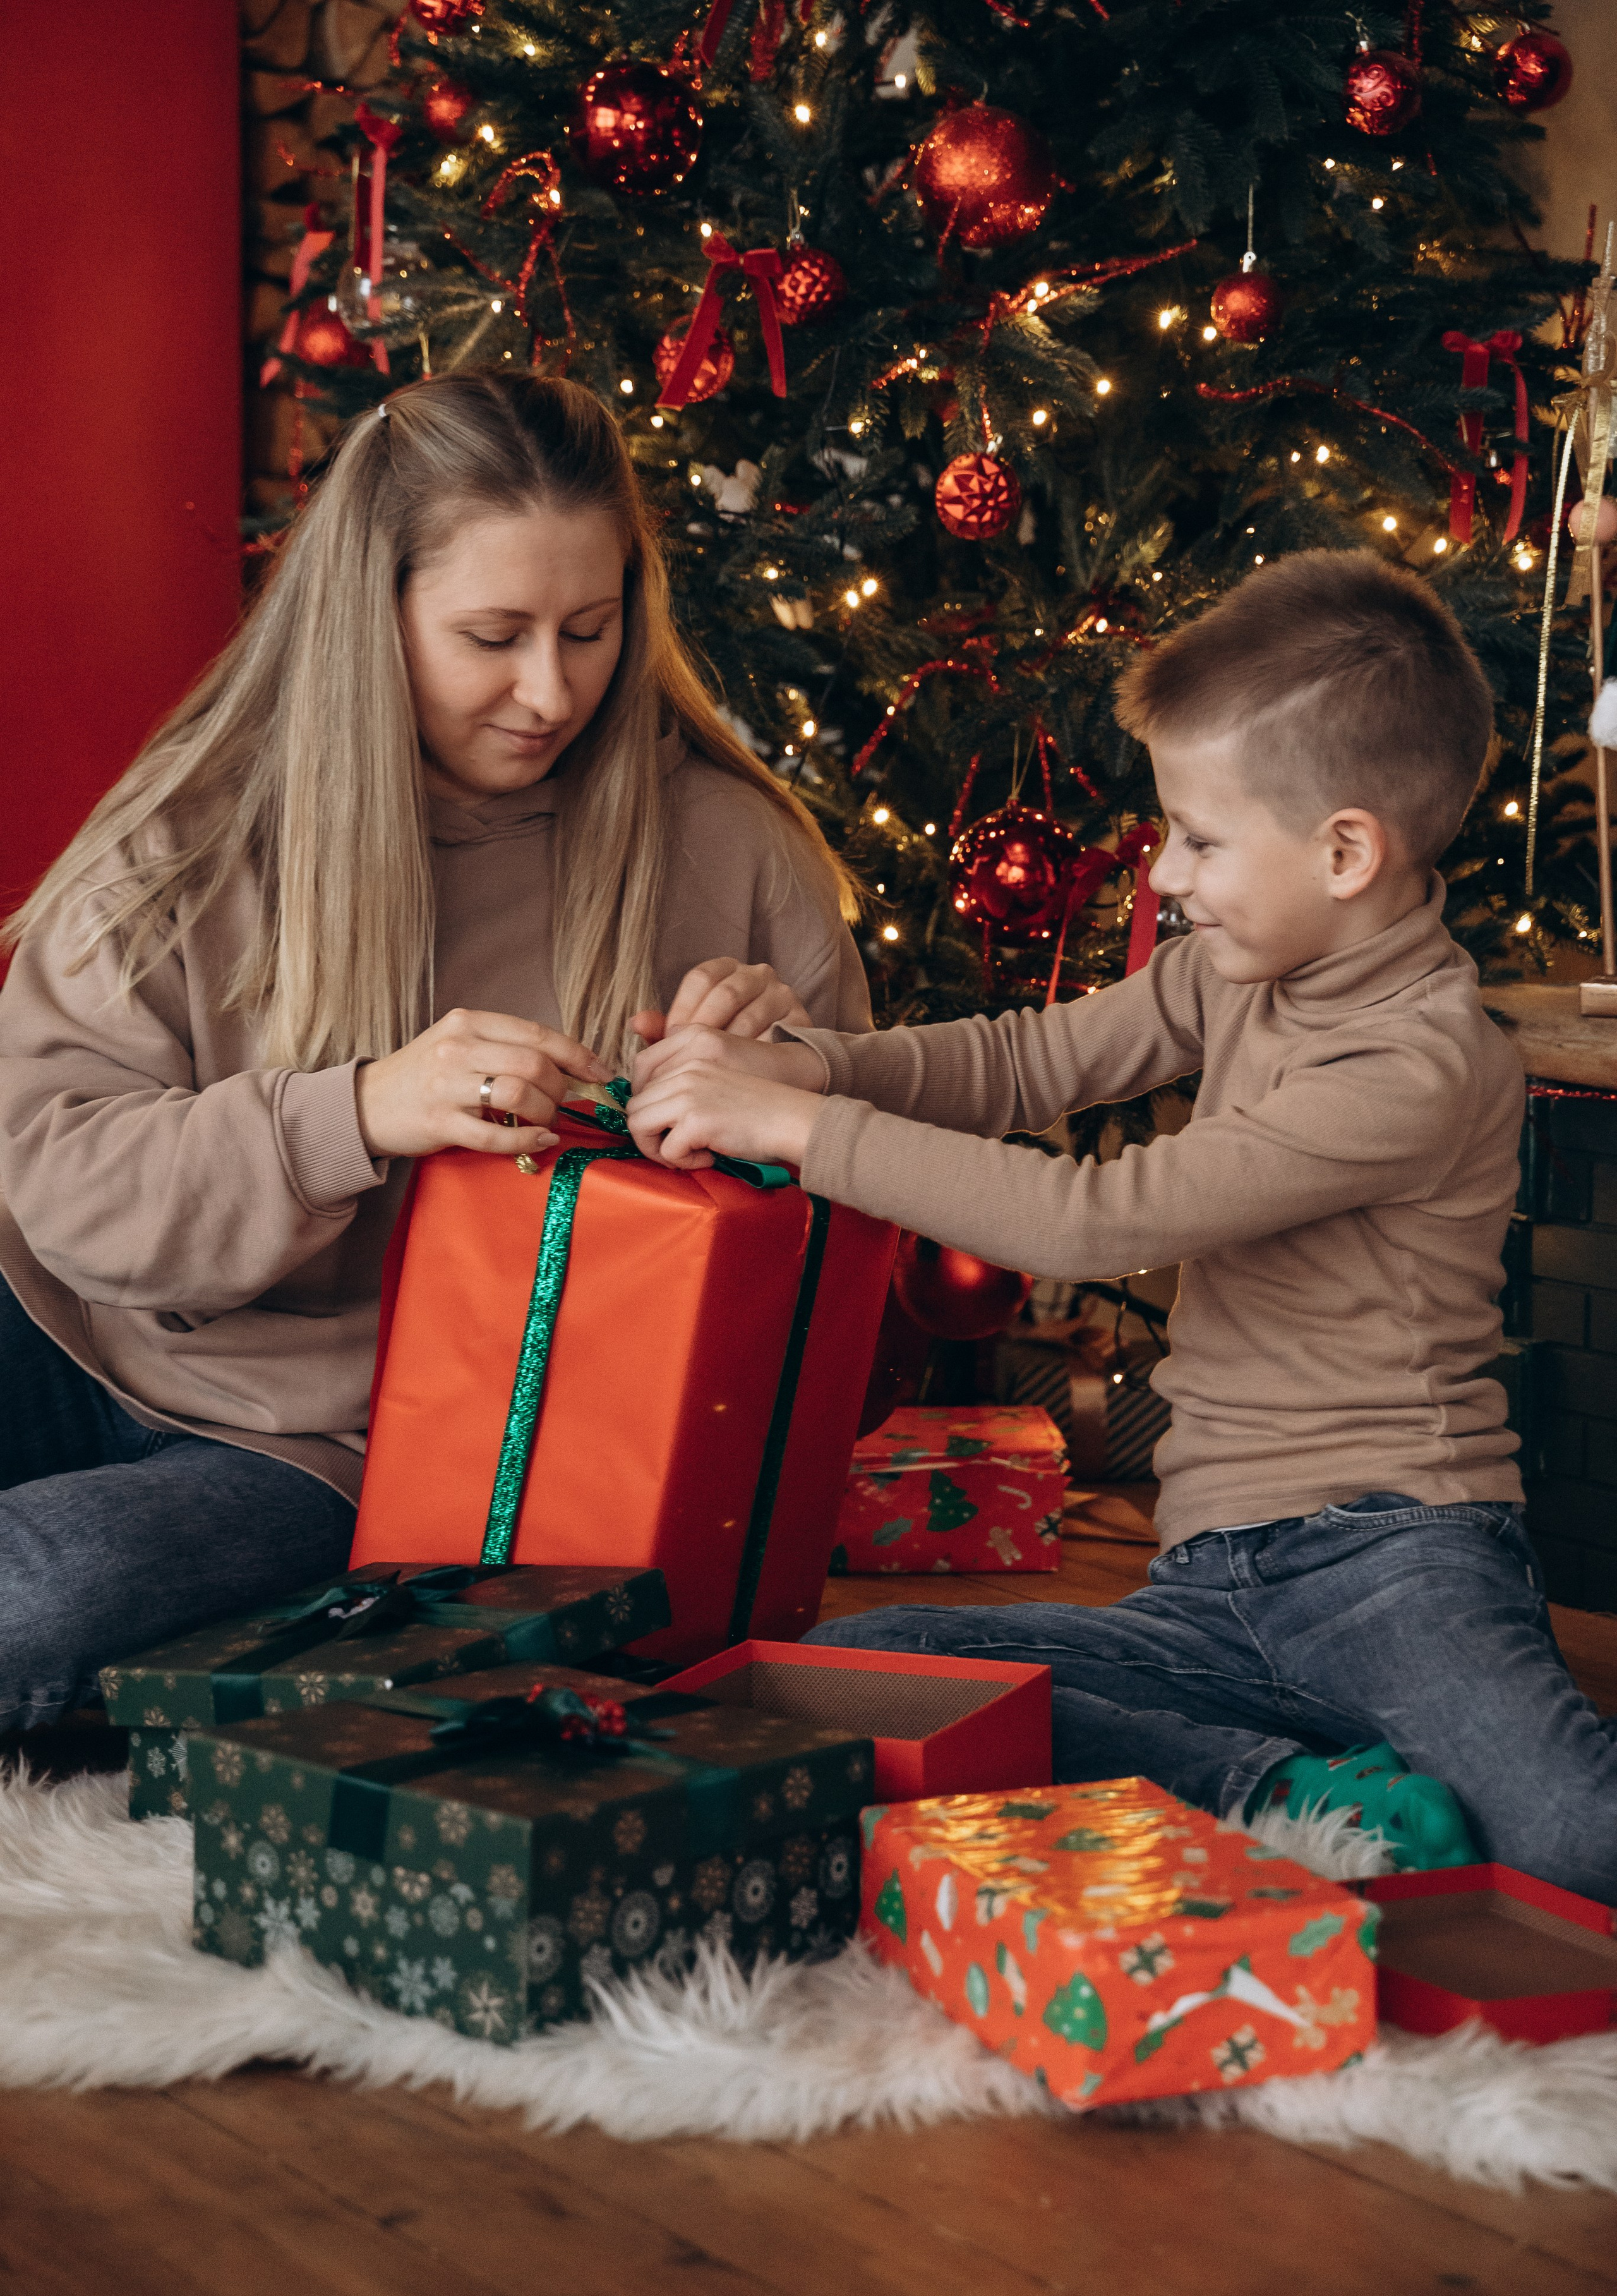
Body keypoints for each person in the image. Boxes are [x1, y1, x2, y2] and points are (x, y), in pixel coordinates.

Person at [628, 549, 1617, 1900]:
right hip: (1206, 1581)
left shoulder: (1416, 1063)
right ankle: (1279, 1787)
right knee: (860, 1671)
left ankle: (1327, 1763)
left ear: (1343, 852)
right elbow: (1024, 1062)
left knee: (1575, 1842)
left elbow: (1097, 1219)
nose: (1166, 875)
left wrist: (798, 1135)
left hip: (1395, 1564)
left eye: (1200, 840)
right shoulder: (1234, 969)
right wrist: (812, 1065)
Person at [0, 372, 867, 1735]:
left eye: (588, 630)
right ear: (370, 619)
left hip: (350, 1449)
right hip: (83, 1335)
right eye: (491, 635)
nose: (550, 690)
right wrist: (351, 1113)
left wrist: (778, 1109)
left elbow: (834, 1304)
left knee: (36, 1602)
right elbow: (65, 1191)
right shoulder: (194, 833)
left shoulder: (727, 853)